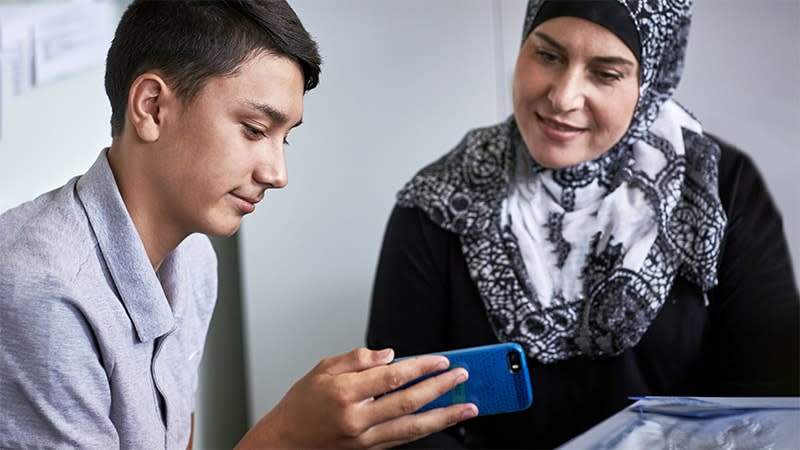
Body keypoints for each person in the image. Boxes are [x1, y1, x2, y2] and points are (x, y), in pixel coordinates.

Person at [0, 1, 478, 448]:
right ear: (151, 107)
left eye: (283, 139)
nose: (277, 173)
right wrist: (287, 433)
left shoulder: (193, 259)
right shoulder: (41, 292)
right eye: (253, 130)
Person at [367, 0, 800, 447]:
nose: (562, 97)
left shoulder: (717, 189)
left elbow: (768, 398)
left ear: (650, 82)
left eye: (606, 73)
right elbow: (398, 417)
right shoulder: (440, 201)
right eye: (548, 56)